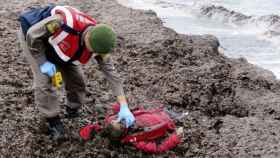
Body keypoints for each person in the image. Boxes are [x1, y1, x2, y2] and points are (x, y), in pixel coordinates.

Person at [18, 5, 135, 139]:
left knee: (77, 80)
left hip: (63, 46)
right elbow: (32, 35)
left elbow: (112, 75)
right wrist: (42, 62)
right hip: (34, 40)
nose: (94, 55)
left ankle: (72, 109)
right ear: (88, 37)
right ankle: (52, 120)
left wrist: (124, 105)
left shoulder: (101, 43)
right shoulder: (61, 22)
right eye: (92, 51)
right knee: (44, 81)